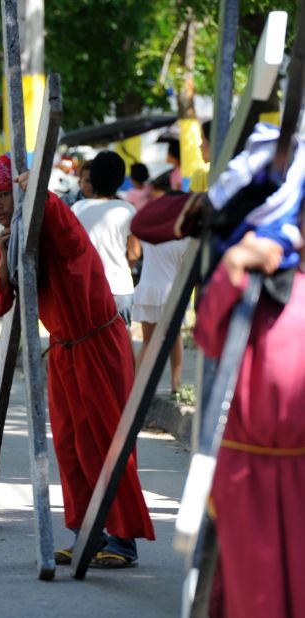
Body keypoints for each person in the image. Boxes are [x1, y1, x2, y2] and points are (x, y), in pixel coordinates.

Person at [0, 154, 154, 567]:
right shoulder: (11, 240)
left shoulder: (55, 224)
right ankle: (85, 535)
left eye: (4, 195)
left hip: (100, 345)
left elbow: (63, 225)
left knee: (107, 442)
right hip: (62, 349)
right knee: (70, 446)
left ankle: (123, 539)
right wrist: (5, 259)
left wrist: (37, 189)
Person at [196, 231, 305, 618]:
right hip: (249, 476)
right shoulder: (261, 287)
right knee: (257, 599)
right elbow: (208, 335)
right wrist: (232, 268)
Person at [132, 175, 189, 393]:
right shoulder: (184, 238)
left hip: (147, 289)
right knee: (174, 337)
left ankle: (138, 387)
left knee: (148, 342)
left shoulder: (149, 234)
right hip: (171, 292)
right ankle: (176, 385)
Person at [71, 151, 141, 325]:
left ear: (92, 179)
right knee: (119, 345)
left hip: (84, 288)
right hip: (119, 288)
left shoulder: (77, 209)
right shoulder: (127, 210)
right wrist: (123, 267)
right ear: (119, 180)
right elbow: (134, 254)